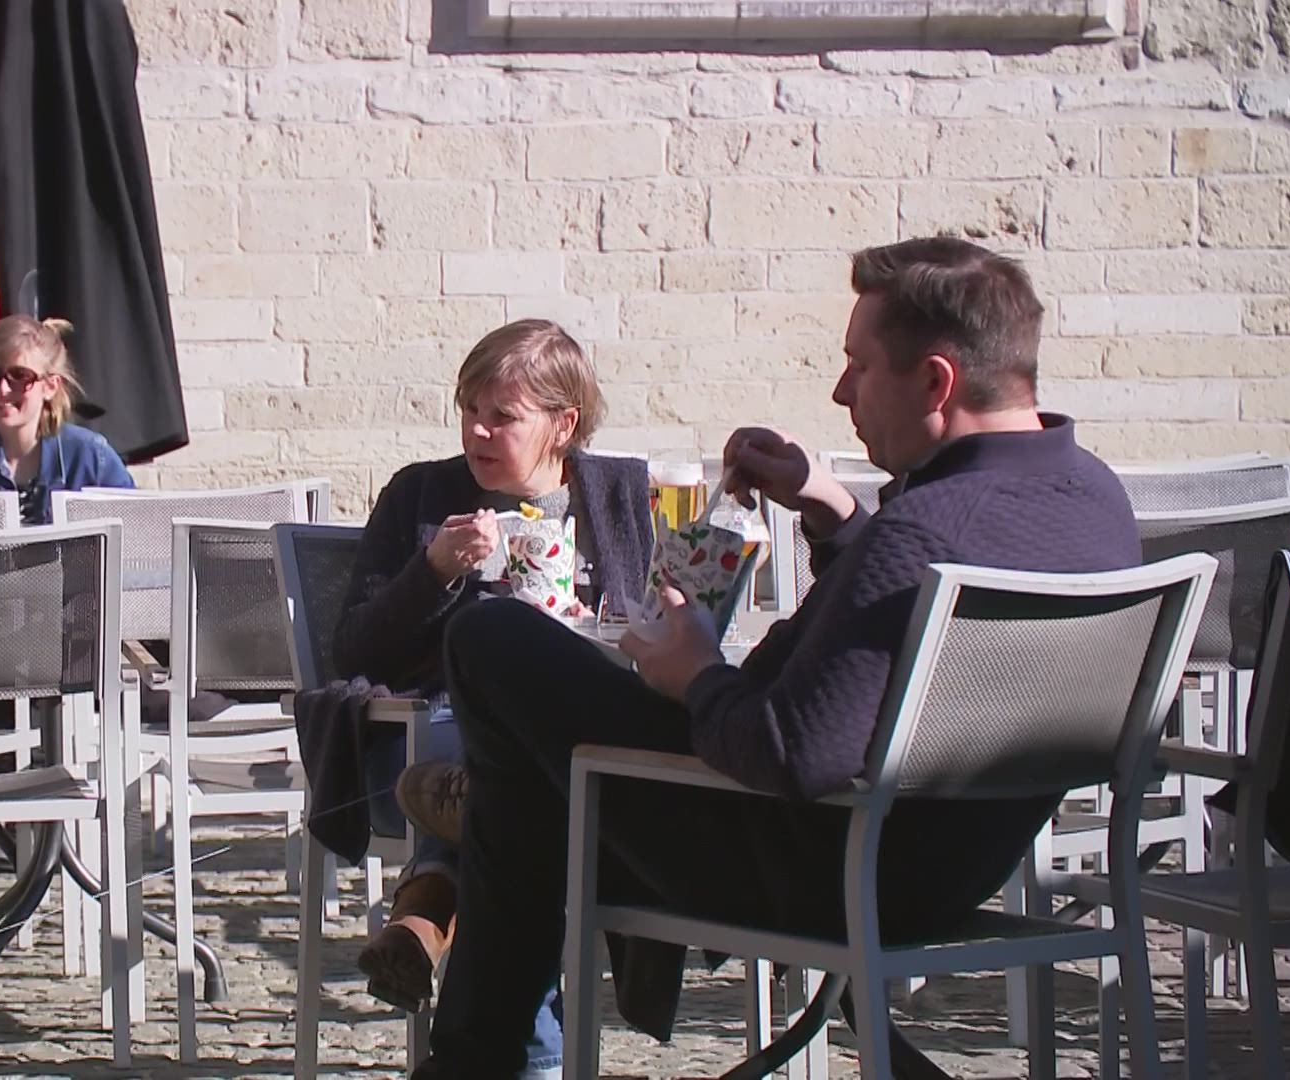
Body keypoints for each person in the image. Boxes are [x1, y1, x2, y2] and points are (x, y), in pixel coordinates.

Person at [395, 237, 1143, 1077]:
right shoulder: (1095, 499)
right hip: (950, 867)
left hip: (815, 870)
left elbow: (791, 752)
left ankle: (474, 1034)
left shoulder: (923, 531)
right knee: (530, 791)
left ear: (936, 383)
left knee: (494, 642)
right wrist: (833, 512)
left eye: (860, 366)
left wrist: (698, 675)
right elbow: (910, 615)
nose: (841, 391)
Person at [331, 319, 651, 1079]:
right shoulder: (421, 494)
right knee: (517, 799)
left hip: (573, 742)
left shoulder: (614, 498)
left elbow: (640, 619)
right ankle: (533, 1062)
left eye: (501, 415)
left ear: (563, 424)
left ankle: (427, 909)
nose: (477, 429)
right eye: (469, 409)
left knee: (513, 798)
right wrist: (433, 571)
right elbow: (354, 651)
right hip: (429, 737)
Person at [0, 314, 133, 523]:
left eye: (20, 376)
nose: (3, 389)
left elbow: (137, 531)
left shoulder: (91, 459)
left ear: (50, 386)